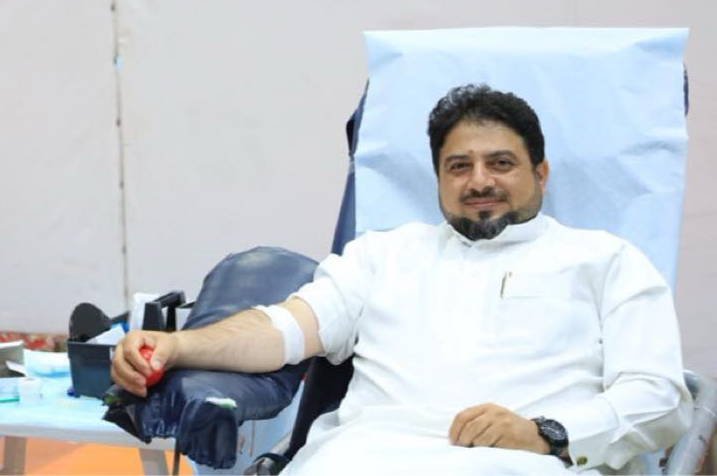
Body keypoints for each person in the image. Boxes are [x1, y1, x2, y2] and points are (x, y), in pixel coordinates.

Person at [112, 84, 692, 474]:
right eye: (459, 166)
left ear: (540, 174)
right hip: (363, 459)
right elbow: (281, 330)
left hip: (518, 463)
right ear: (438, 180)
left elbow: (659, 399)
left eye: (501, 163)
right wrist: (178, 345)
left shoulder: (607, 261)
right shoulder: (382, 256)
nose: (479, 181)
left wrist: (546, 432)